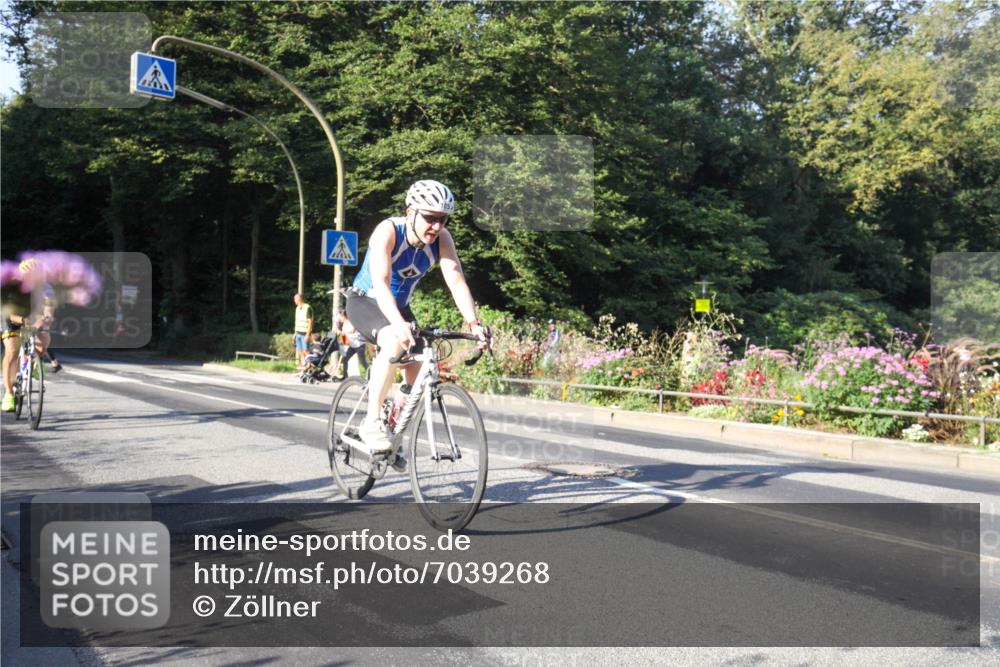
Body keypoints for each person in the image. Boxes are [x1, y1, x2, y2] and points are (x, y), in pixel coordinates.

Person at [347, 179, 488, 454]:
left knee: (419, 364)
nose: (436, 226)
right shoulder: (388, 231)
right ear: (410, 212)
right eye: (430, 218)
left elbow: (456, 281)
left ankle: (393, 427)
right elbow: (381, 283)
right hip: (366, 300)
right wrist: (398, 325)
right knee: (394, 341)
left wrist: (474, 324)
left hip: (399, 308)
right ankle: (371, 421)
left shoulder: (442, 239)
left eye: (443, 219)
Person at [334, 311, 369, 380]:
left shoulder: (352, 322)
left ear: (344, 316)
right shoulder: (344, 325)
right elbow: (345, 339)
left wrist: (342, 332)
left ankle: (369, 374)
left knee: (362, 362)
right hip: (352, 346)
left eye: (340, 317)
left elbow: (352, 330)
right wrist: (341, 336)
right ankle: (345, 376)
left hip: (359, 345)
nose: (340, 319)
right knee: (345, 360)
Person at [292, 293, 314, 369]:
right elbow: (297, 321)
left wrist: (308, 334)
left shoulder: (307, 308)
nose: (294, 300)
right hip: (298, 332)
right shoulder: (297, 308)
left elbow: (310, 321)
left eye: (295, 299)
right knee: (300, 350)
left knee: (306, 350)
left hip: (305, 333)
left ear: (299, 299)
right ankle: (303, 364)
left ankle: (309, 365)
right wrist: (295, 333)